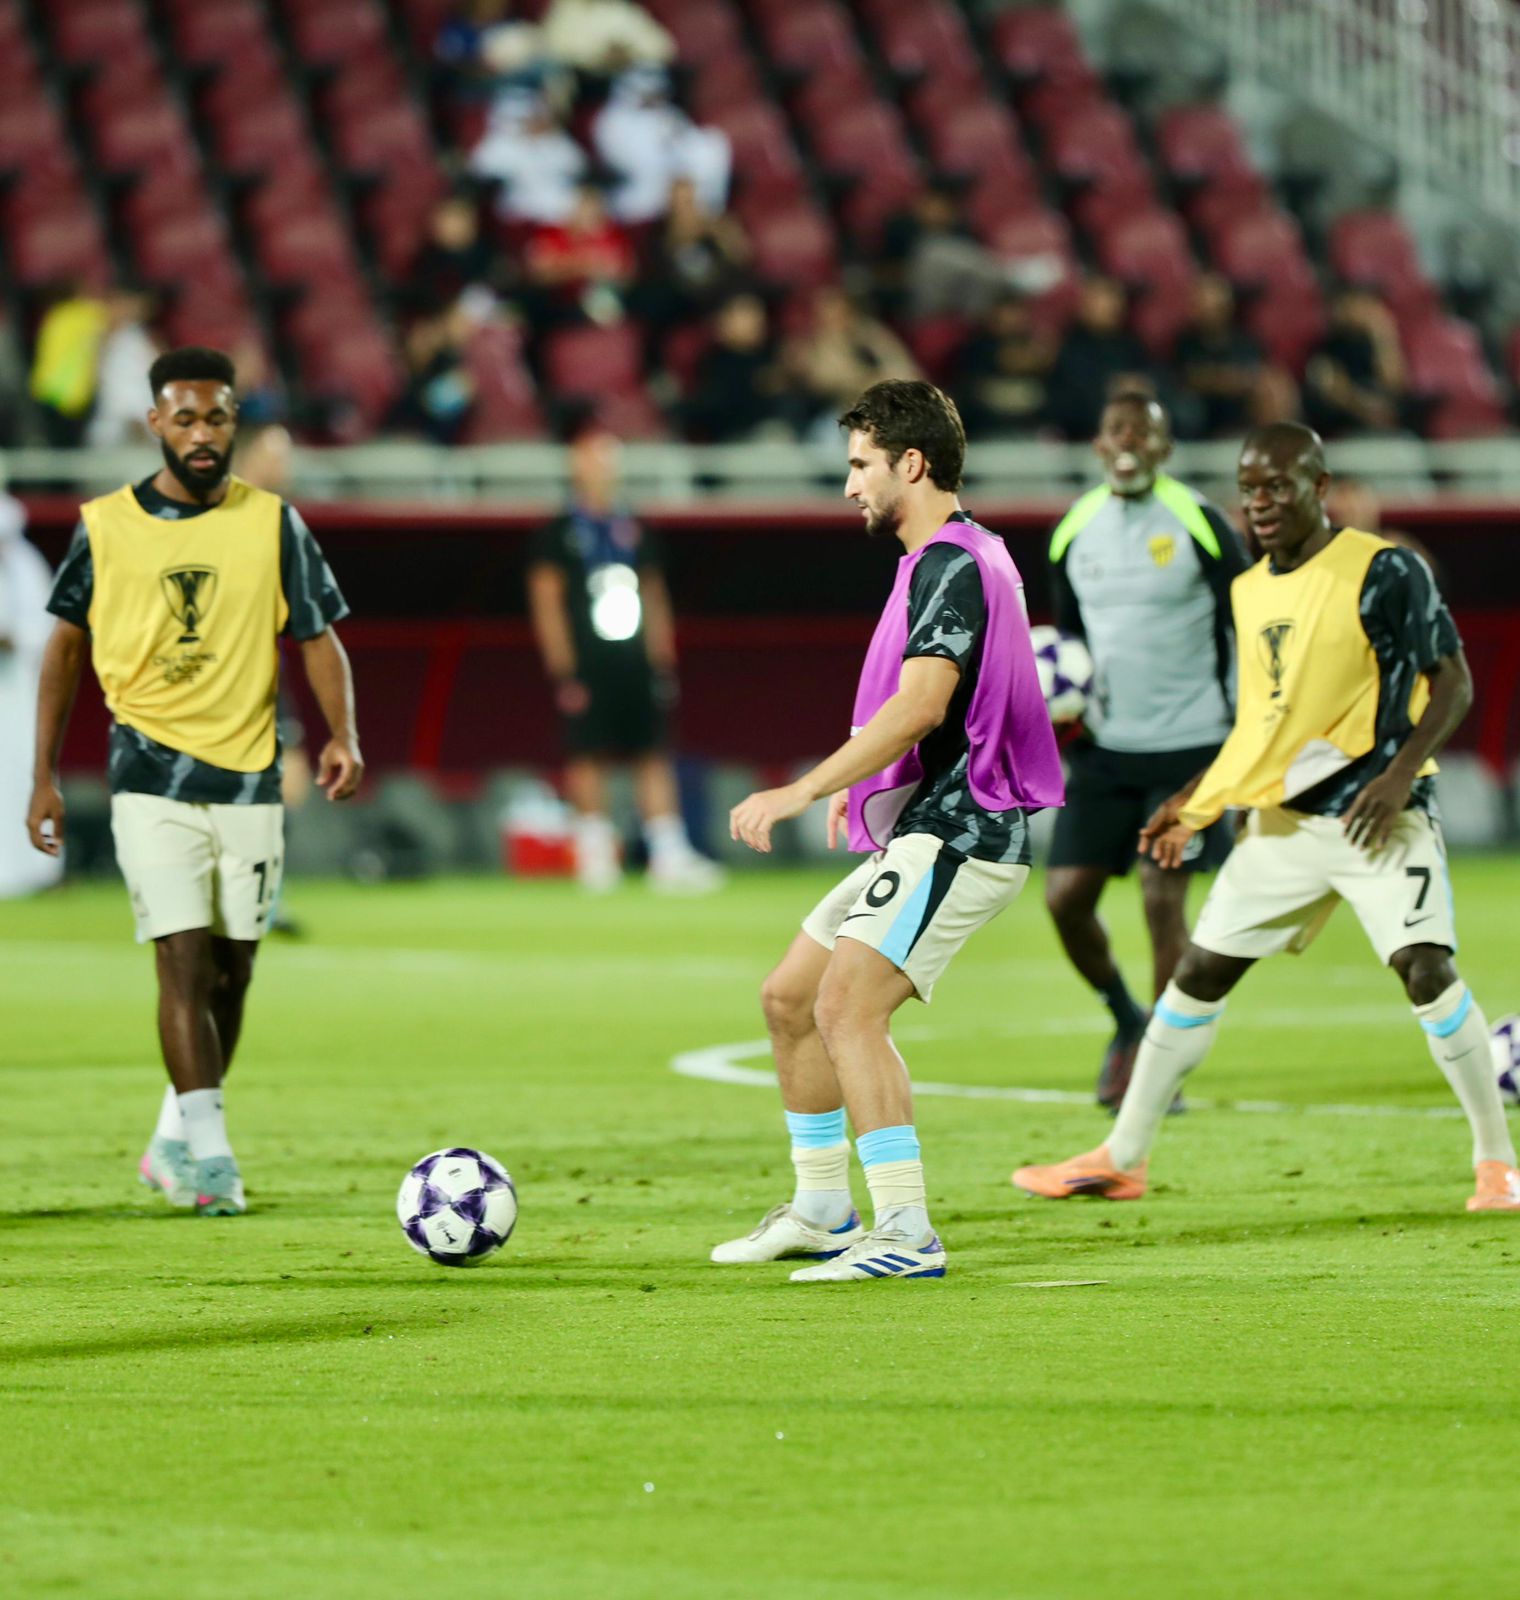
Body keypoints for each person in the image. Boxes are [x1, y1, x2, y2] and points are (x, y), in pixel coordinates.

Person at [1014, 422, 1520, 1214]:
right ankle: (1122, 1158)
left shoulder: (1383, 568)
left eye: (1278, 487)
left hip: (1378, 818)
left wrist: (1396, 778)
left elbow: (1452, 681)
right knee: (1198, 974)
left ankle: (1498, 1166)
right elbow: (1262, 724)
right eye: (1250, 490)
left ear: (1318, 488)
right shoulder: (1250, 591)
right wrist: (1199, 802)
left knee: (1425, 968)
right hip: (1285, 828)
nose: (1261, 503)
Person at [718, 379, 1064, 1282]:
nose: (849, 486)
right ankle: (823, 1210)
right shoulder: (950, 556)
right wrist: (867, 780)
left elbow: (922, 705)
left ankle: (906, 1230)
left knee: (846, 1006)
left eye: (860, 465)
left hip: (964, 831)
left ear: (912, 464)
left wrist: (804, 788)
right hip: (930, 824)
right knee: (791, 999)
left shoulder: (953, 562)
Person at [26, 347, 363, 1217]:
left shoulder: (274, 523)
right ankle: (214, 1161)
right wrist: (43, 774)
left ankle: (173, 1136)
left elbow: (318, 635)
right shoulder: (105, 525)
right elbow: (62, 649)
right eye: (185, 418)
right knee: (180, 960)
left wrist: (343, 735)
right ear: (156, 423)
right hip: (148, 774)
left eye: (216, 417)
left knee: (231, 972)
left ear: (233, 421)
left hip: (249, 775)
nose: (202, 434)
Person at [1045, 393, 1250, 1107]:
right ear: (1098, 445)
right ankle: (1128, 1021)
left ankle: (1157, 1071)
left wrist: (1245, 735)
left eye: (1144, 432)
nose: (1128, 442)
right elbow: (1069, 644)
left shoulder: (1200, 521)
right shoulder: (1074, 530)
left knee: (1163, 901)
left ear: (1165, 448)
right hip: (1105, 749)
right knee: (1065, 900)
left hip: (1191, 748)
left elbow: (1251, 623)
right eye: (1117, 430)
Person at [526, 425, 723, 894]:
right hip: (587, 660)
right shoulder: (558, 532)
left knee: (652, 751)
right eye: (591, 458)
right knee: (587, 753)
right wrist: (564, 670)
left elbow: (653, 595)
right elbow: (547, 603)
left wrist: (662, 660)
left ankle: (667, 852)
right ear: (574, 466)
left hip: (634, 659)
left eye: (607, 458)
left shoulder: (633, 527)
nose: (601, 468)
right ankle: (594, 854)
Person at [0, 494, 63, 898]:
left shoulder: (24, 565)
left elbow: (47, 632)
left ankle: (36, 870)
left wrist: (14, 640)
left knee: (25, 774)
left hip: (18, 693)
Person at [1046, 275, 1152, 440]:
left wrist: (1143, 386)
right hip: (1082, 440)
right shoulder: (1070, 347)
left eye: (1116, 298)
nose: (1114, 305)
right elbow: (1068, 405)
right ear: (1085, 305)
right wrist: (1112, 389)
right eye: (1105, 298)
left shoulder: (1130, 344)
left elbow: (1151, 378)